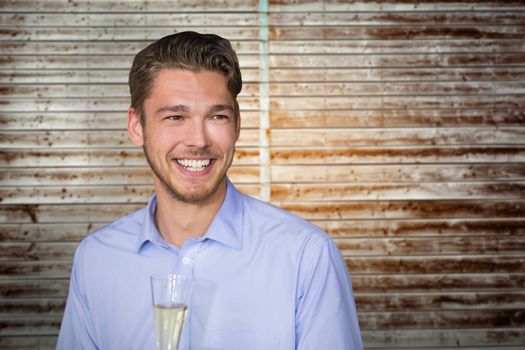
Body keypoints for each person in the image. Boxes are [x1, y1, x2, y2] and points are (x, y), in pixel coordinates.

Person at [57, 31, 363, 350]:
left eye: (217, 116)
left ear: (237, 125)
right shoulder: (96, 259)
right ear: (137, 127)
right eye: (175, 116)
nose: (199, 140)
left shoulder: (306, 257)